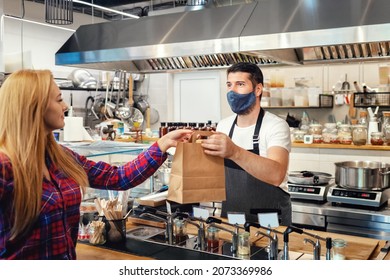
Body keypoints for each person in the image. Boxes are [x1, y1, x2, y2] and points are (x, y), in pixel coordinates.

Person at [0, 69, 193, 260]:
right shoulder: (4, 167)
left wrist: (162, 144)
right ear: (34, 106)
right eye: (59, 99)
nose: (65, 106)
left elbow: (117, 177)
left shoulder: (61, 157)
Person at [201, 62, 292, 225]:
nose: (232, 91)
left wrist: (234, 152)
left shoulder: (275, 125)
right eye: (229, 85)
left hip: (268, 220)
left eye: (240, 84)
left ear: (258, 89)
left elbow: (276, 175)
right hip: (231, 219)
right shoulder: (223, 126)